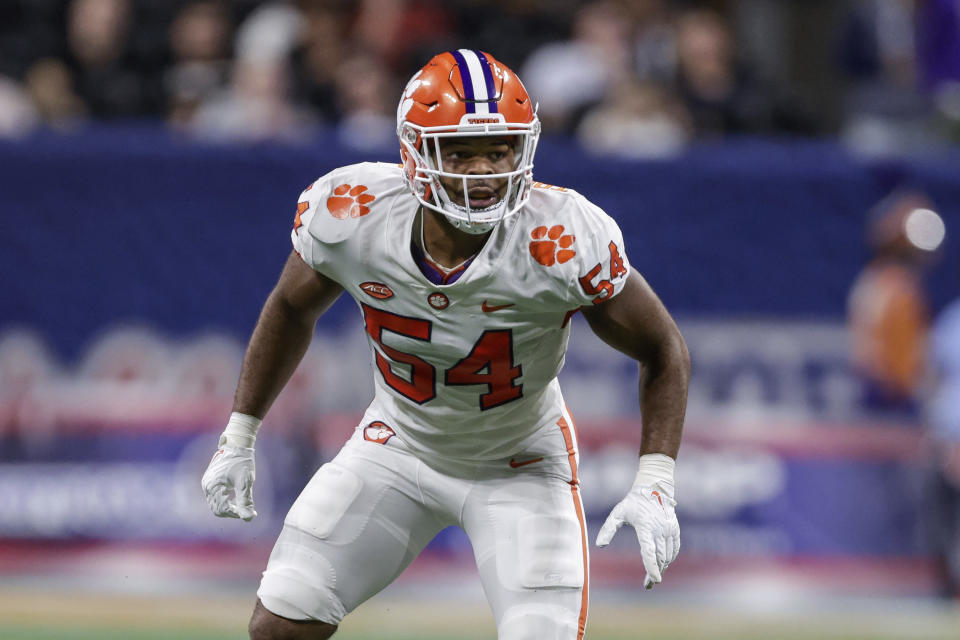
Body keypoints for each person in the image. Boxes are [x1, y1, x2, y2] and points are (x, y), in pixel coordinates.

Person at [201, 50, 689, 640]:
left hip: (521, 464)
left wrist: (656, 478)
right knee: (280, 626)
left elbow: (662, 349)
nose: (483, 170)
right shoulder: (353, 213)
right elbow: (289, 306)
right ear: (415, 153)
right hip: (396, 447)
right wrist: (240, 431)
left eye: (500, 149)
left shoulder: (559, 236)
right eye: (460, 151)